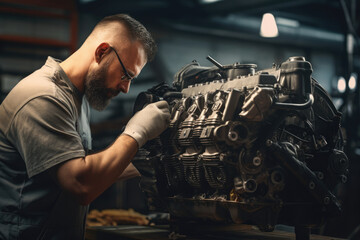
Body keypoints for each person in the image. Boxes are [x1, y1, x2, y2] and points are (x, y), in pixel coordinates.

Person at [0, 14, 170, 239]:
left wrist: (152, 163)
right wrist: (137, 133)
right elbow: (81, 183)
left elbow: (86, 165)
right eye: (125, 75)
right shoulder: (42, 96)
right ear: (101, 52)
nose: (126, 88)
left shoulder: (77, 99)